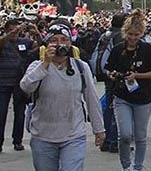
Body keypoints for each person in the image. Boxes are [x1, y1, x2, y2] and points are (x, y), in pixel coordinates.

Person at [18, 23, 105, 171]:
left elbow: (91, 98)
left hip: (73, 134)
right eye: (54, 40)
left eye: (64, 39)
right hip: (43, 135)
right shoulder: (37, 66)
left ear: (70, 43)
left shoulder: (81, 67)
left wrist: (99, 129)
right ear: (46, 44)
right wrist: (45, 64)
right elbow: (26, 86)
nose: (60, 44)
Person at [103, 10, 151, 171]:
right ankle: (126, 166)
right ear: (124, 33)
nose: (133, 38)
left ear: (141, 33)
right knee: (125, 135)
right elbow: (107, 70)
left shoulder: (148, 49)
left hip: (143, 98)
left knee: (140, 136)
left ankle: (138, 166)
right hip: (122, 98)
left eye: (136, 34)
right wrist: (113, 75)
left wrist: (137, 75)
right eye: (130, 34)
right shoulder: (117, 49)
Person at [0, 18, 37, 154]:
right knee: (1, 112)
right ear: (6, 30)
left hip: (19, 83)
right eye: (11, 30)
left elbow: (40, 47)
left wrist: (37, 33)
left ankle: (17, 141)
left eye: (17, 29)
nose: (15, 33)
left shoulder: (24, 42)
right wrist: (11, 33)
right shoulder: (1, 41)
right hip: (3, 83)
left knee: (20, 113)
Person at [91, 13, 125, 153]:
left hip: (104, 73)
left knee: (108, 107)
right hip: (114, 75)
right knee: (117, 107)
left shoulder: (105, 34)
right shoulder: (120, 37)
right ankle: (114, 141)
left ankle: (106, 140)